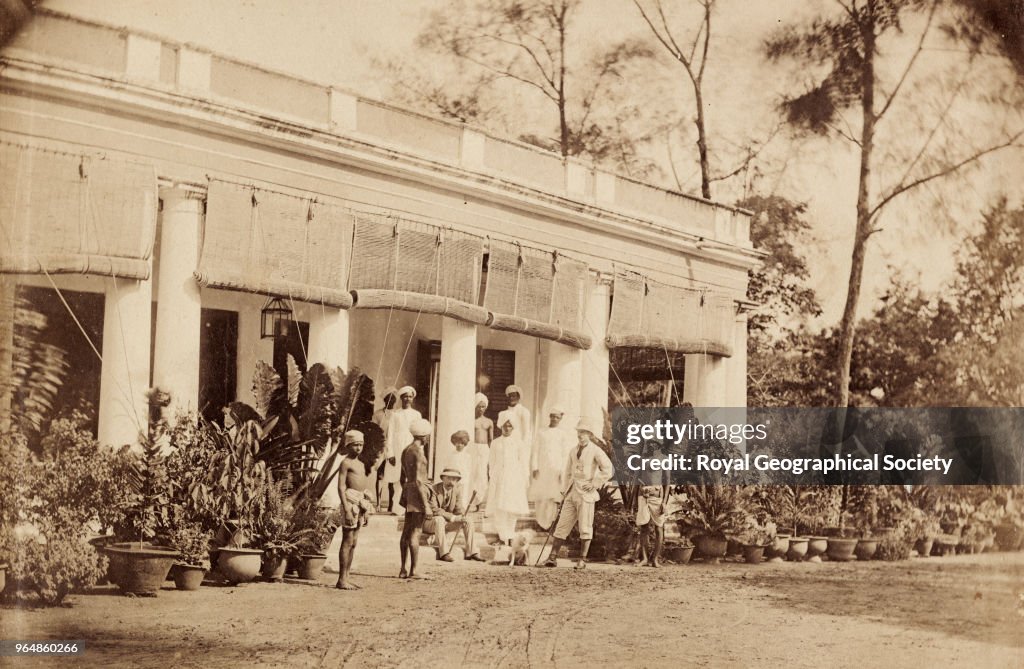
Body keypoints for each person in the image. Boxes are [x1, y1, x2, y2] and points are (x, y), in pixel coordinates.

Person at [543, 417, 614, 570]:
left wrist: (594, 483)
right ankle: (552, 557)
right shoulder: (573, 450)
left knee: (585, 526)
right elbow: (568, 471)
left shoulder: (596, 450)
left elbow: (608, 469)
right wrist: (564, 490)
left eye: (584, 432)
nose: (580, 435)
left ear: (590, 434)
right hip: (571, 492)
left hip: (586, 493)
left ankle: (582, 559)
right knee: (562, 525)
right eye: (579, 432)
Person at [336, 430, 374, 590]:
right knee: (347, 540)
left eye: (361, 445)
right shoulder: (346, 463)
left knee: (354, 542)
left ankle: (347, 577)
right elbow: (341, 486)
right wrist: (346, 509)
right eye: (355, 445)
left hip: (360, 503)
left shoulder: (361, 463)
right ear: (348, 445)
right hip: (350, 503)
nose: (358, 448)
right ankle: (341, 579)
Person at [529, 406, 576, 530]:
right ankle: (540, 522)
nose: (554, 419)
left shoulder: (562, 434)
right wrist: (535, 467)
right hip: (542, 468)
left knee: (552, 497)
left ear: (560, 419)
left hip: (556, 469)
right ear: (549, 417)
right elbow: (535, 451)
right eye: (553, 416)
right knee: (541, 497)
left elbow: (565, 453)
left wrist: (562, 470)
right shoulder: (541, 432)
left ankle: (550, 523)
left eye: (557, 417)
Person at [485, 413, 529, 544]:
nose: (507, 428)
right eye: (505, 425)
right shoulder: (495, 443)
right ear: (500, 426)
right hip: (498, 477)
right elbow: (491, 462)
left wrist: (524, 479)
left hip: (513, 478)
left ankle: (510, 536)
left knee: (511, 508)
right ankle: (502, 536)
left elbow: (523, 462)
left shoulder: (518, 443)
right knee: (499, 508)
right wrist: (493, 477)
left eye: (510, 426)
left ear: (513, 427)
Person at [399, 417, 434, 579]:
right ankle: (414, 570)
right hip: (418, 493)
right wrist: (426, 505)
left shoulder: (406, 450)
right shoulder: (418, 452)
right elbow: (420, 480)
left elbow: (402, 477)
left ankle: (403, 569)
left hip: (408, 490)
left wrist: (407, 491)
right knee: (416, 531)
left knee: (406, 531)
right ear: (424, 436)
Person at [426, 468, 485, 562]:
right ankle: (444, 553)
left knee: (468, 520)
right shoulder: (433, 489)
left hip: (445, 523)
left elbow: (458, 509)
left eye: (454, 479)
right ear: (442, 478)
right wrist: (453, 517)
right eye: (448, 478)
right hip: (430, 523)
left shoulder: (456, 491)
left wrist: (462, 515)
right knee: (439, 519)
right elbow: (434, 510)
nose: (451, 482)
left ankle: (472, 552)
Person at [385, 385, 421, 514]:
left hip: (411, 448)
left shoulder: (417, 415)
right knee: (397, 478)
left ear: (412, 398)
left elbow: (420, 434)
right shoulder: (395, 414)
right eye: (405, 396)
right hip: (397, 448)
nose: (407, 398)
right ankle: (398, 507)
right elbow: (390, 435)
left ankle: (411, 507)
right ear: (401, 398)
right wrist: (390, 454)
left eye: (410, 396)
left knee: (411, 477)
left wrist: (419, 451)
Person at [635, 440, 670, 568]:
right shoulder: (642, 459)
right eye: (649, 443)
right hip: (643, 497)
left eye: (653, 443)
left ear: (659, 445)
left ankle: (655, 559)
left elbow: (667, 483)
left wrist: (664, 502)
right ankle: (644, 558)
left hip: (657, 498)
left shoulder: (664, 459)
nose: (650, 445)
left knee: (658, 528)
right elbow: (637, 481)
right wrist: (635, 500)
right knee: (643, 527)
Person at [372, 388, 397, 511]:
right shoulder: (378, 414)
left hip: (393, 448)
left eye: (393, 398)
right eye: (388, 398)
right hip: (381, 447)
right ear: (385, 399)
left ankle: (392, 505)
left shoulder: (397, 415)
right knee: (380, 476)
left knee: (392, 477)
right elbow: (373, 431)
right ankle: (378, 503)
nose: (391, 401)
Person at [504, 385, 532, 480]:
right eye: (509, 396)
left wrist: (523, 449)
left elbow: (526, 432)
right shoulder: (506, 412)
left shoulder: (524, 411)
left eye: (514, 396)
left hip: (519, 445)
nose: (511, 398)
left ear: (518, 397)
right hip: (508, 444)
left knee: (519, 472)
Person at [471, 393, 493, 511]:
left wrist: (492, 455)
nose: (481, 409)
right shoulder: (471, 420)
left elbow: (491, 439)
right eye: (479, 406)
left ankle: (480, 501)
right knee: (473, 473)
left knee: (482, 474)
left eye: (483, 406)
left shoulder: (489, 422)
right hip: (473, 448)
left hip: (484, 449)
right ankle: (472, 502)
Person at [446, 430, 474, 505]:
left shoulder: (467, 456)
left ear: (465, 444)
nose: (459, 445)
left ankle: (462, 509)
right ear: (454, 443)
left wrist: (465, 478)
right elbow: (448, 467)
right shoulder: (451, 455)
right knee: (452, 494)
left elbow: (468, 469)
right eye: (457, 443)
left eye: (462, 443)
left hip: (463, 478)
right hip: (453, 478)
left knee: (463, 494)